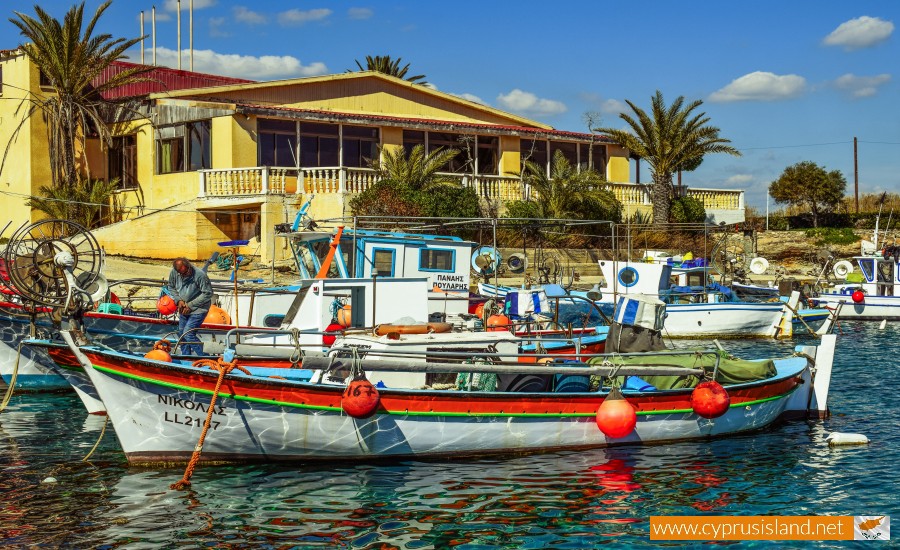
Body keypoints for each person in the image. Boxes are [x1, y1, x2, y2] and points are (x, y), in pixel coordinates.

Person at [167, 257, 213, 355]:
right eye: (183, 273)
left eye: (187, 271)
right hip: (183, 308)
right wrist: (178, 300)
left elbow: (208, 294)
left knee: (188, 334)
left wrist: (190, 305)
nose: (186, 274)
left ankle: (206, 357)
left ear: (189, 265)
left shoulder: (200, 275)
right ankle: (186, 357)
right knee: (182, 335)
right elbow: (171, 287)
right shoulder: (174, 273)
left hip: (199, 309)